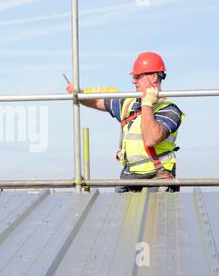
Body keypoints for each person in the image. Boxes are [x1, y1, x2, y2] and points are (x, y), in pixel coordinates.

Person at [66, 52, 184, 193]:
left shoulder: (169, 110)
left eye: (137, 76)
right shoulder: (128, 103)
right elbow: (98, 100)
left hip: (157, 178)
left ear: (153, 77)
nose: (133, 81)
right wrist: (79, 94)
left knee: (154, 215)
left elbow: (151, 138)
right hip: (130, 176)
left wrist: (147, 104)